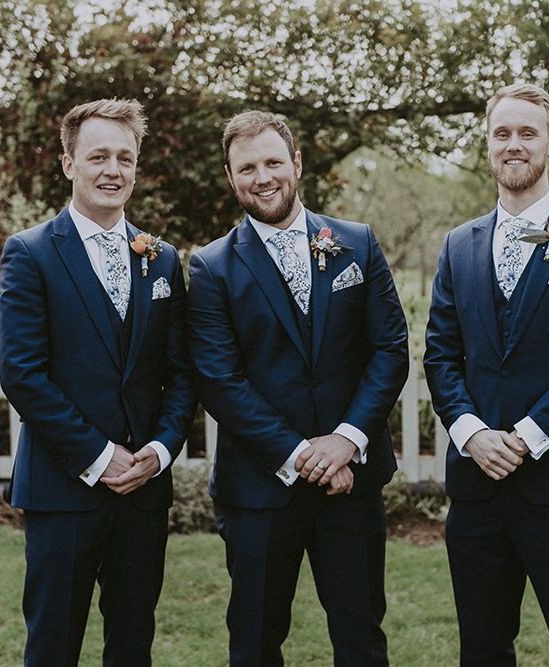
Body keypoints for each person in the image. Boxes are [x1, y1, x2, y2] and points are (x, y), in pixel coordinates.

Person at [187, 110, 408, 666]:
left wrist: (346, 441)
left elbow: (389, 350)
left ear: (297, 163)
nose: (262, 178)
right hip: (260, 489)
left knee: (361, 639)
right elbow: (220, 379)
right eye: (247, 168)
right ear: (230, 175)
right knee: (256, 642)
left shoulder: (355, 244)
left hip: (352, 485)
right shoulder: (212, 268)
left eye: (272, 162)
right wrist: (302, 454)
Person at [0, 98, 195, 666]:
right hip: (63, 489)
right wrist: (98, 455)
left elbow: (181, 372)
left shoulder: (160, 259)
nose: (113, 170)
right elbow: (22, 373)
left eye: (125, 158)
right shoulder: (30, 253)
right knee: (54, 645)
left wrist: (158, 451)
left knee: (133, 644)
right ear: (68, 164)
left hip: (143, 491)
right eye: (99, 156)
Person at [424, 83, 549, 665]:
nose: (514, 144)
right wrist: (472, 434)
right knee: (483, 650)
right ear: (487, 145)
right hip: (477, 496)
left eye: (528, 132)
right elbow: (441, 355)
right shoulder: (457, 245)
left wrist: (527, 435)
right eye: (502, 133)